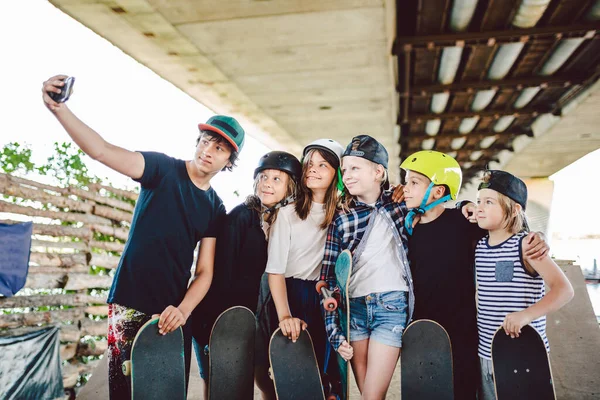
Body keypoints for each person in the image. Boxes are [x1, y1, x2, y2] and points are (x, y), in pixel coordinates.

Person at [42, 75, 245, 399]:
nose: (209, 150)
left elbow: (205, 272)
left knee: (167, 392)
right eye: (206, 141)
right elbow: (102, 151)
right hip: (130, 300)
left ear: (228, 161)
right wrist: (58, 109)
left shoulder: (214, 209)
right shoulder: (161, 169)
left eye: (219, 147)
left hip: (171, 311)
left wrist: (183, 310)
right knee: (126, 390)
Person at [397, 150, 550, 399]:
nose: (406, 187)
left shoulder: (463, 222)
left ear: (438, 191)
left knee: (464, 391)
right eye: (406, 181)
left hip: (464, 331)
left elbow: (505, 231)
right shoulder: (406, 225)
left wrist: (537, 237)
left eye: (414, 182)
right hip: (421, 329)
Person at [191, 151, 301, 399]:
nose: (267, 184)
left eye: (276, 179)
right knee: (220, 385)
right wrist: (219, 326)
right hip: (221, 317)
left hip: (259, 317)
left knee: (265, 379)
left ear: (290, 187)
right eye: (263, 177)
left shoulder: (286, 221)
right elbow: (222, 274)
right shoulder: (241, 217)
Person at [320, 135, 413, 399]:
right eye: (345, 170)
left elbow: (437, 209)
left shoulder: (401, 205)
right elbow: (327, 281)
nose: (347, 175)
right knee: (369, 395)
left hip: (391, 306)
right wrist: (335, 333)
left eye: (355, 168)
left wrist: (466, 207)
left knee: (371, 396)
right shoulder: (341, 216)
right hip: (355, 310)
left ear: (378, 171)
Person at [474, 170, 573, 400]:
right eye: (479, 201)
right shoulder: (479, 246)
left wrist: (526, 315)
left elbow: (564, 289)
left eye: (489, 202)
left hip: (524, 354)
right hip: (486, 353)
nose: (480, 207)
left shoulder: (527, 246)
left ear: (515, 208)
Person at [258, 139, 345, 397]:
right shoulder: (288, 213)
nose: (312, 169)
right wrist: (284, 315)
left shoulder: (342, 212)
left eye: (323, 165)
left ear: (337, 175)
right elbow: (275, 271)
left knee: (325, 377)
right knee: (295, 373)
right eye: (309, 163)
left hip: (326, 298)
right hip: (291, 293)